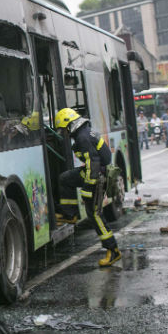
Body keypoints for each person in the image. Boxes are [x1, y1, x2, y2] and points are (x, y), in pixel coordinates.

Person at [53, 107, 121, 267]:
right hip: (97, 174)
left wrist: (88, 189)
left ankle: (113, 250)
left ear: (69, 125)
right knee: (65, 178)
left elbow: (94, 165)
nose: (64, 133)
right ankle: (70, 215)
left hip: (97, 177)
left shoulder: (82, 137)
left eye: (63, 129)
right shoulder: (85, 132)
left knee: (95, 215)